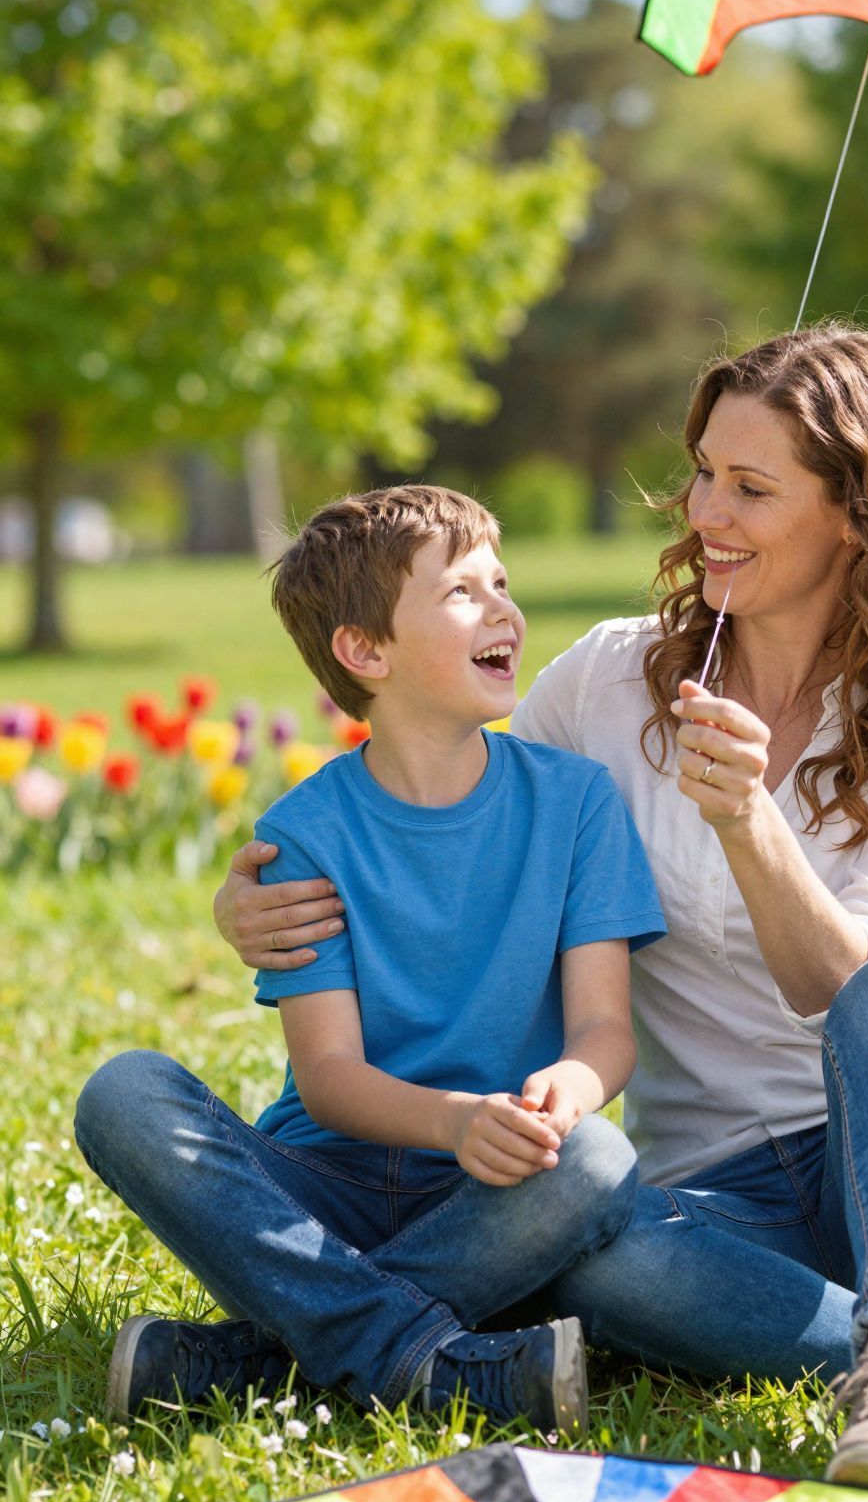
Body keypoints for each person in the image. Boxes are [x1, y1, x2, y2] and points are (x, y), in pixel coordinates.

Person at [217, 328, 868, 1500]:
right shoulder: (608, 681)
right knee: (583, 1256)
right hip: (710, 1197)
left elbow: (846, 986)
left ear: (858, 512)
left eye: (753, 488)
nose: (707, 509)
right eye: (705, 470)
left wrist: (749, 818)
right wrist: (262, 894)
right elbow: (444, 806)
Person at [75, 486, 666, 1435]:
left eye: (501, 582)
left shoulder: (577, 804)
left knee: (597, 1156)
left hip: (493, 1192)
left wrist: (569, 1083)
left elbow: (603, 1029)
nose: (504, 607)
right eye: (462, 591)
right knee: (123, 1094)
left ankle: (260, 1359)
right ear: (366, 651)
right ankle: (424, 1361)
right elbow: (331, 1080)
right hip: (323, 1190)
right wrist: (455, 1117)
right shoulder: (305, 833)